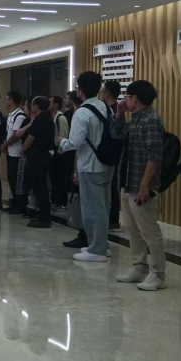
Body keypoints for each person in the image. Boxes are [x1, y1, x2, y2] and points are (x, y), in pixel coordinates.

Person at [112, 80, 167, 290]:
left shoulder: (151, 120)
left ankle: (158, 273)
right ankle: (140, 267)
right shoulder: (136, 118)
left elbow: (155, 155)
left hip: (142, 185)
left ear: (134, 98)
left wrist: (145, 184)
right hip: (129, 182)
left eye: (127, 96)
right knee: (133, 228)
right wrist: (119, 114)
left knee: (149, 230)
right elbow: (116, 134)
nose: (125, 100)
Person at [59, 72, 113, 262]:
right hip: (107, 164)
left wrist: (61, 141)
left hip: (90, 165)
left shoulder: (82, 112)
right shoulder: (107, 108)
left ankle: (97, 250)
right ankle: (102, 245)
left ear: (80, 90)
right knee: (103, 208)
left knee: (92, 209)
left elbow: (74, 142)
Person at [23, 96, 55, 228]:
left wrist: (24, 149)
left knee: (39, 186)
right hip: (42, 155)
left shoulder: (41, 119)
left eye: (32, 104)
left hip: (38, 156)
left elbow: (30, 138)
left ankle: (44, 218)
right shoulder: (47, 118)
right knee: (39, 186)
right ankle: (42, 215)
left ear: (36, 106)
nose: (31, 106)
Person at [0, 91, 28, 214]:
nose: (5, 102)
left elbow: (16, 135)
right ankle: (15, 202)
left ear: (12, 101)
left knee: (17, 181)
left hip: (17, 153)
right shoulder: (11, 115)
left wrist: (5, 144)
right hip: (10, 152)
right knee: (11, 179)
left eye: (6, 99)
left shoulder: (19, 116)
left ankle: (21, 205)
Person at [101, 80, 122, 230]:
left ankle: (113, 219)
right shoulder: (109, 109)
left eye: (102, 92)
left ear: (107, 93)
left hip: (113, 154)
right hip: (111, 154)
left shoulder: (114, 111)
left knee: (112, 187)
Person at [48, 96, 71, 210]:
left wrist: (60, 153)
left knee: (60, 178)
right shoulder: (52, 117)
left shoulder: (61, 118)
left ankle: (62, 202)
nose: (49, 104)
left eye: (50, 102)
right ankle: (55, 200)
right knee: (54, 178)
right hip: (53, 151)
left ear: (56, 104)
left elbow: (64, 135)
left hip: (60, 151)